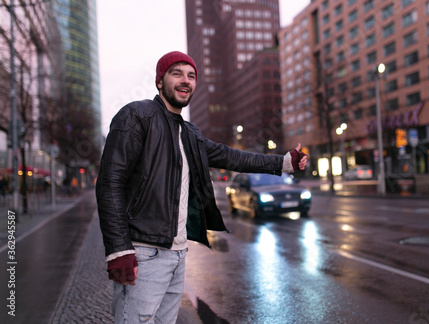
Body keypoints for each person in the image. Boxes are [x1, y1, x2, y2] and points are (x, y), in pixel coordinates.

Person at [95, 51, 308, 324]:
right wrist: (119, 249)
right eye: (177, 73)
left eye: (191, 76)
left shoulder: (190, 133)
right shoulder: (138, 116)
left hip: (177, 253)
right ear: (160, 82)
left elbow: (233, 157)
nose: (186, 81)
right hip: (143, 253)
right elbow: (110, 182)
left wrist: (283, 163)